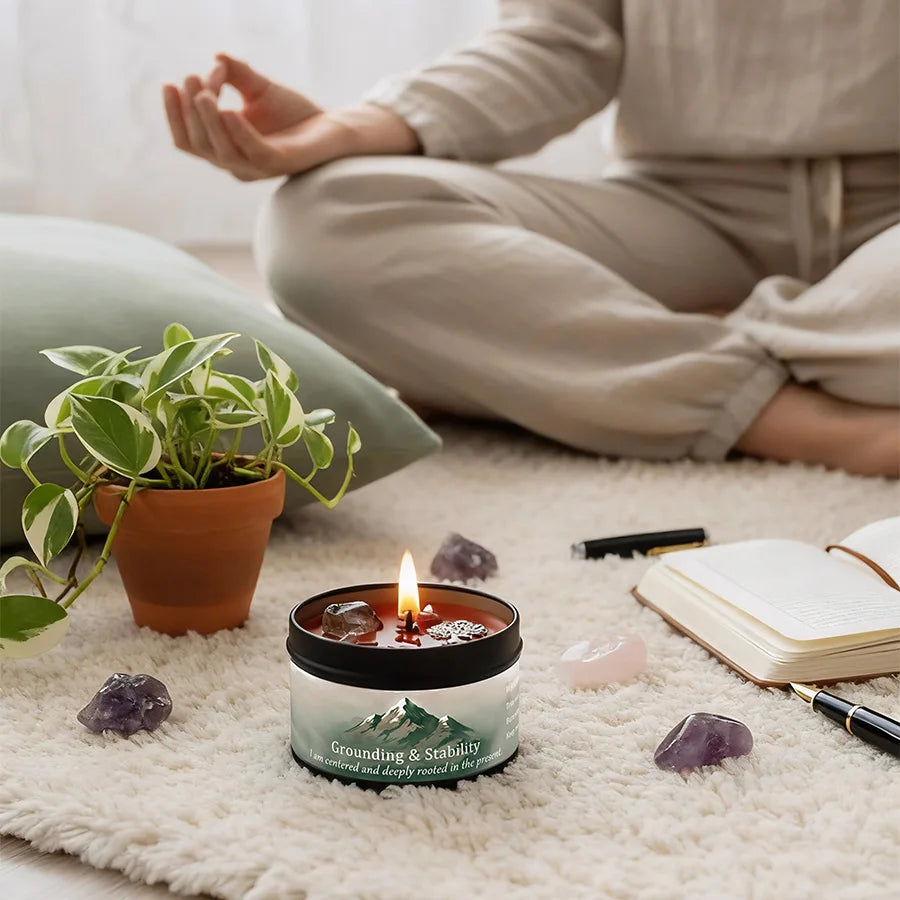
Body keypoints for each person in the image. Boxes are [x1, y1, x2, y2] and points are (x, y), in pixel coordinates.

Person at [163, 1, 900, 477]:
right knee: (322, 219)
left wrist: (543, 330)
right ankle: (796, 417)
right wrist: (347, 131)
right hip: (681, 213)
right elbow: (557, 43)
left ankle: (594, 359)